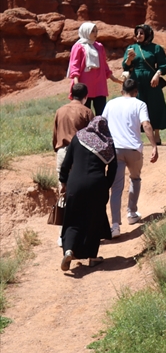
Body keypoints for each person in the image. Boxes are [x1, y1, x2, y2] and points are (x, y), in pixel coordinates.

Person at [57, 116, 118, 271]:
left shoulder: (79, 137)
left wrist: (63, 181)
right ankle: (92, 256)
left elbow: (66, 163)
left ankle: (69, 250)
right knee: (93, 219)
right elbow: (113, 168)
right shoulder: (108, 143)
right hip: (96, 185)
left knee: (72, 218)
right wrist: (106, 185)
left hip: (75, 184)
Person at [101, 77, 158, 237]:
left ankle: (115, 226)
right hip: (134, 149)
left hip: (115, 149)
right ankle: (132, 213)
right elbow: (146, 124)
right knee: (135, 178)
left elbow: (102, 123)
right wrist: (154, 145)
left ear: (122, 91)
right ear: (136, 92)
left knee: (116, 188)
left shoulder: (111, 103)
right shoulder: (139, 104)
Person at [121, 24, 166, 145]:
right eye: (137, 33)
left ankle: (156, 135)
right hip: (136, 79)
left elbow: (163, 65)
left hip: (151, 79)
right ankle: (135, 135)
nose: (138, 35)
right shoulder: (131, 48)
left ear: (147, 34)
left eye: (141, 33)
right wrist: (129, 59)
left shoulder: (156, 48)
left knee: (155, 104)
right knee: (136, 106)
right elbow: (125, 66)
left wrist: (157, 75)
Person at [67, 22, 116, 116]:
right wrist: (77, 85)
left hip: (100, 85)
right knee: (85, 113)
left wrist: (114, 78)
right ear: (85, 32)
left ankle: (100, 130)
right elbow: (75, 66)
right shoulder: (78, 47)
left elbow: (104, 65)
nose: (95, 33)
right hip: (84, 85)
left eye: (96, 31)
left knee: (101, 114)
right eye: (92, 31)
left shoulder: (99, 46)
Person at [53, 83, 94, 176]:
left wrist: (58, 150)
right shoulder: (87, 112)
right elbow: (92, 136)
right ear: (86, 96)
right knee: (78, 186)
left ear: (71, 95)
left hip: (62, 151)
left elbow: (55, 133)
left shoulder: (60, 111)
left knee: (62, 185)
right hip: (79, 153)